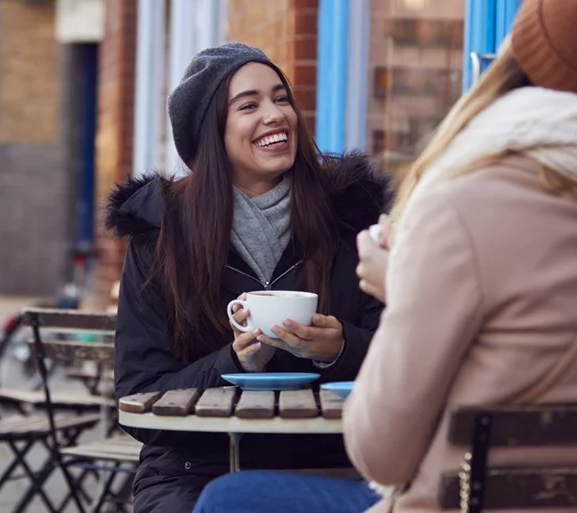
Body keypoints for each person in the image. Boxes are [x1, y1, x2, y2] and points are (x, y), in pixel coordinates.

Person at [192, 0, 577, 513]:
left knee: (230, 498)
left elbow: (379, 454)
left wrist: (409, 286)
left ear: (519, 66)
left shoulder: (463, 206)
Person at [105, 42, 390, 513]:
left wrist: (338, 350)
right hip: (197, 467)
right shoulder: (161, 234)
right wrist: (233, 364)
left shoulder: (350, 218)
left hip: (332, 458)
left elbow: (404, 356)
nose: (276, 115)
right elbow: (138, 397)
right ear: (211, 132)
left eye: (281, 99)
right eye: (249, 105)